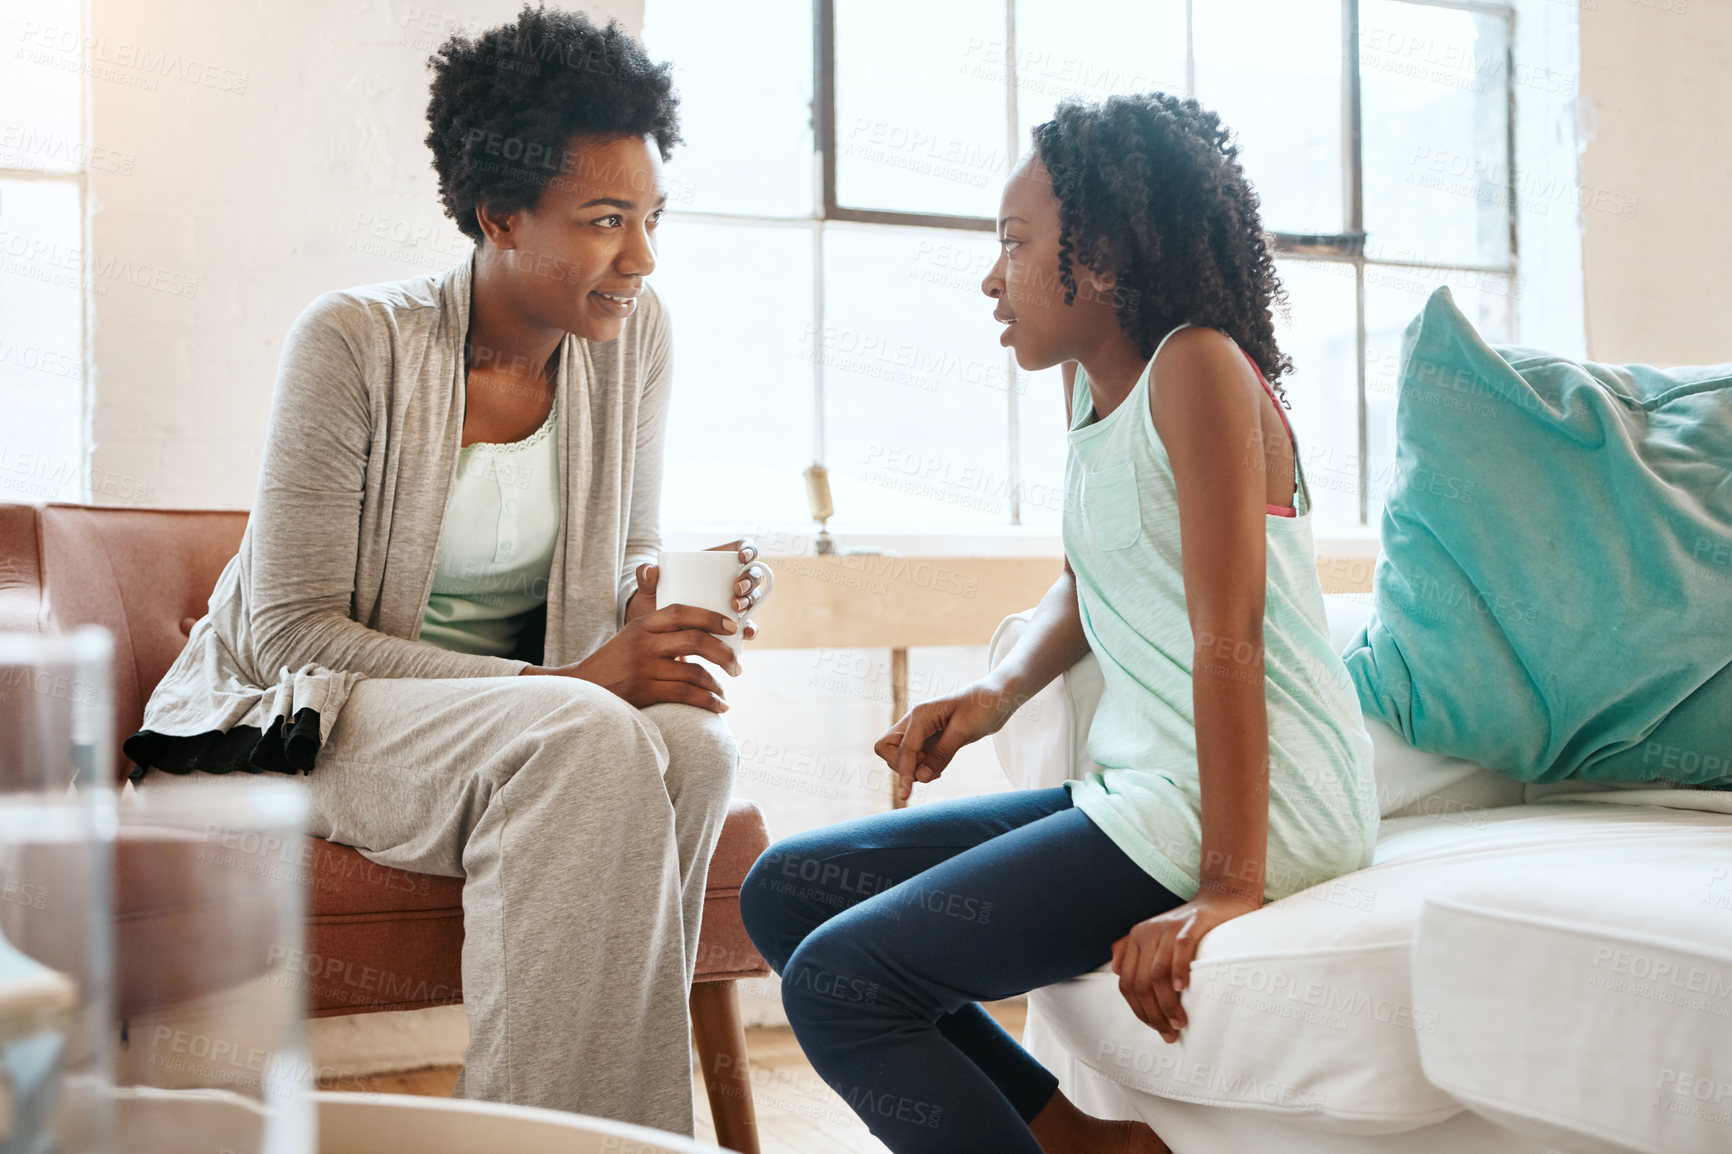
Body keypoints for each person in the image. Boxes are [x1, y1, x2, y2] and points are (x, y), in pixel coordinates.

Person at [124, 7, 764, 1136]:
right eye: (607, 220)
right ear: (499, 213)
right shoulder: (355, 343)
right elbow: (290, 638)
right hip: (295, 718)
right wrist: (571, 678)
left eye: (653, 218)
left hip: (513, 720)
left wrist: (654, 600)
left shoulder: (635, 335)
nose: (642, 259)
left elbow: (619, 542)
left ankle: (611, 1132)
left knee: (690, 745)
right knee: (582, 732)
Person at [739, 92, 1378, 1154]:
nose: (992, 278)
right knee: (788, 890)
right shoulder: (1093, 386)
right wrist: (994, 696)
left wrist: (1227, 886)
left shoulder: (1199, 367)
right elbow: (1090, 580)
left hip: (1261, 806)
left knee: (844, 981)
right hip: (1148, 787)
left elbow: (1232, 632)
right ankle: (1098, 1142)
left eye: (1014, 243)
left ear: (1108, 256)